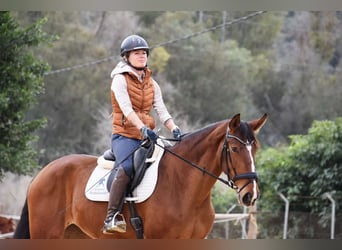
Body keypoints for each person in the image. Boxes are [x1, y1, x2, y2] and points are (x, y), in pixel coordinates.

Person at [102, 34, 182, 234]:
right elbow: (127, 109)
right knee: (127, 167)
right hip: (124, 136)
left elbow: (161, 110)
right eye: (136, 53)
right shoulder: (119, 80)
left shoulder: (152, 83)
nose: (142, 56)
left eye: (144, 53)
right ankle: (111, 217)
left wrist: (174, 128)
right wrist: (143, 128)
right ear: (126, 57)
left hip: (147, 136)